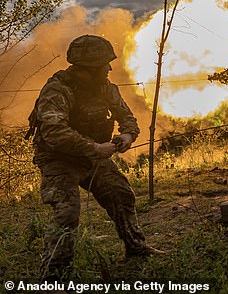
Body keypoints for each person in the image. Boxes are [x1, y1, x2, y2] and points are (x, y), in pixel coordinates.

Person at [27, 35, 163, 282]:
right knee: (67, 214)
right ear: (86, 68)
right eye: (103, 64)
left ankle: (136, 248)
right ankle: (53, 279)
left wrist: (128, 136)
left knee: (121, 194)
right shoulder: (58, 89)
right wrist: (94, 148)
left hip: (92, 157)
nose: (109, 68)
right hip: (59, 160)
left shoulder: (106, 88)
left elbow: (127, 117)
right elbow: (54, 132)